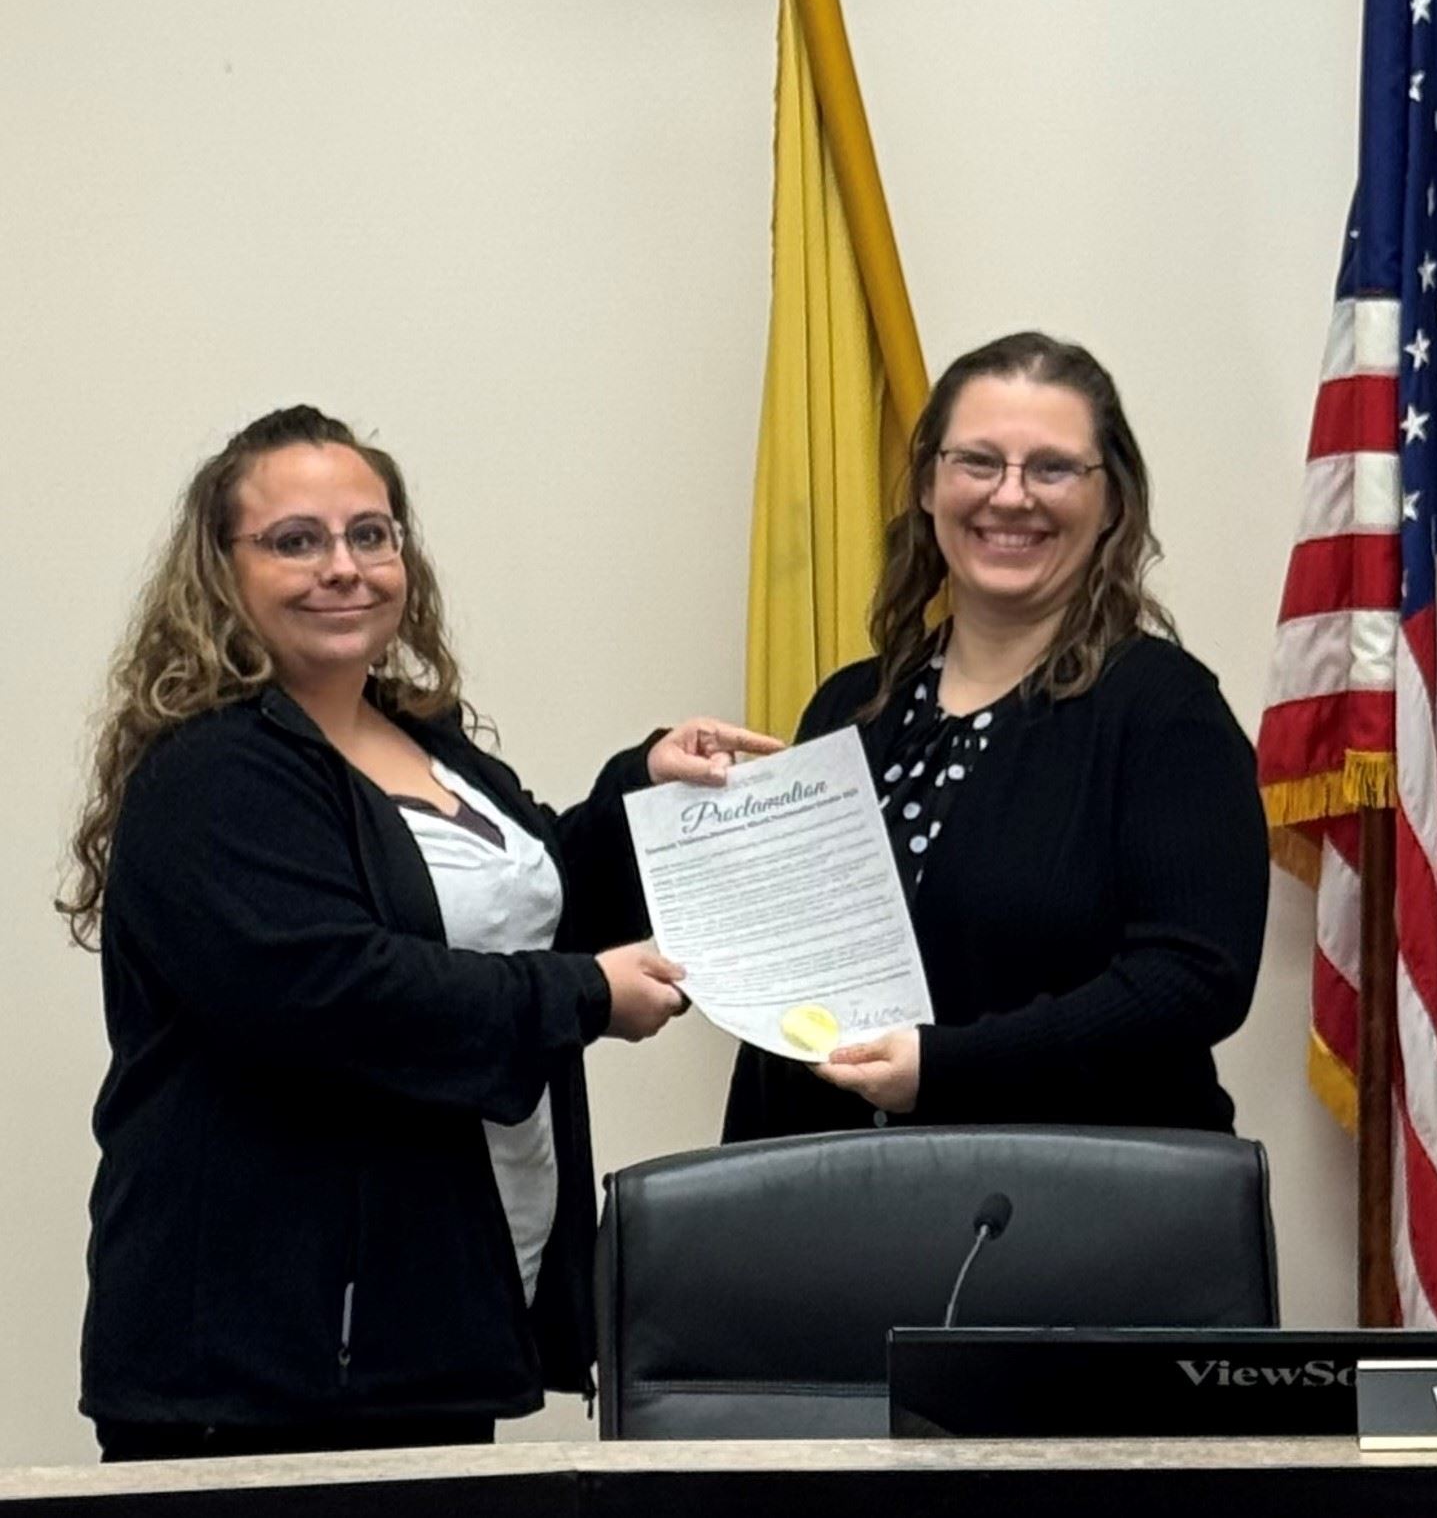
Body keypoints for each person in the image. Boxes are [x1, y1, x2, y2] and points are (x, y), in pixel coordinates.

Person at [63, 406, 778, 1461]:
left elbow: (523, 903)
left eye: (371, 533)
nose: (342, 566)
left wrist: (648, 786)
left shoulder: (418, 736)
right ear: (221, 572)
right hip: (266, 1361)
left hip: (428, 1316)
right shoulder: (212, 774)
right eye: (295, 539)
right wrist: (588, 996)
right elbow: (338, 991)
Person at [723, 331, 1269, 1142]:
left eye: (1051, 467)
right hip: (835, 1209)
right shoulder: (850, 706)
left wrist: (947, 1067)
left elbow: (1195, 979)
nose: (1009, 497)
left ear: (1111, 499)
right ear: (926, 485)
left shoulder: (1163, 710)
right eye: (977, 461)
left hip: (1076, 1226)